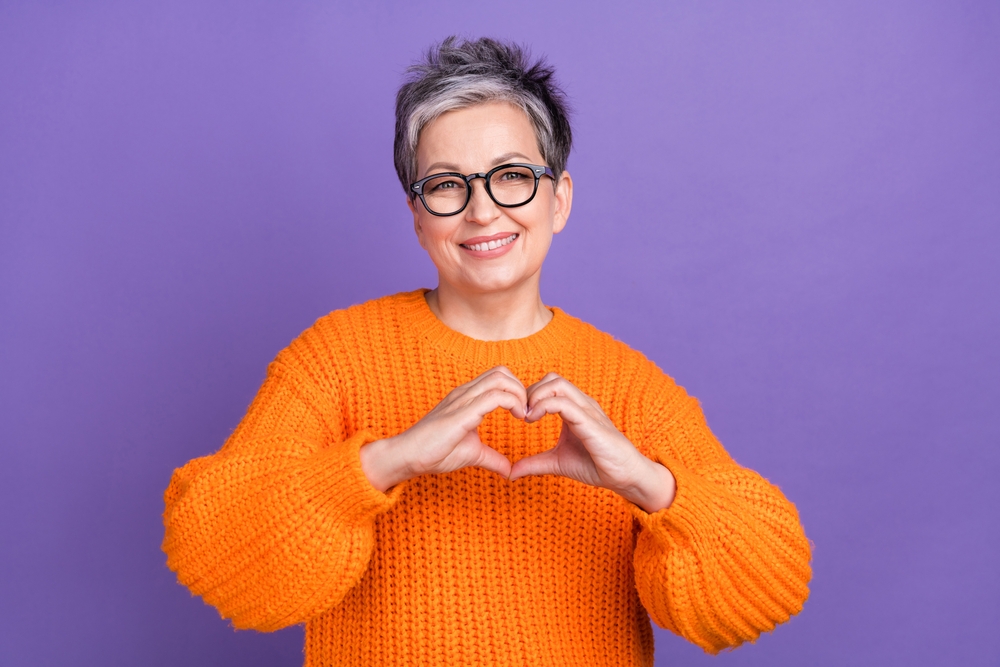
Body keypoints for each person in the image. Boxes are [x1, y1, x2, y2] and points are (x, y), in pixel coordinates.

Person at [162, 36, 812, 666]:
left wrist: (650, 485)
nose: (482, 210)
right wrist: (380, 465)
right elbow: (214, 554)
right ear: (418, 217)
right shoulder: (333, 358)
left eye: (511, 176)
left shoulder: (632, 388)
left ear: (559, 200)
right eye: (447, 185)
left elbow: (765, 589)